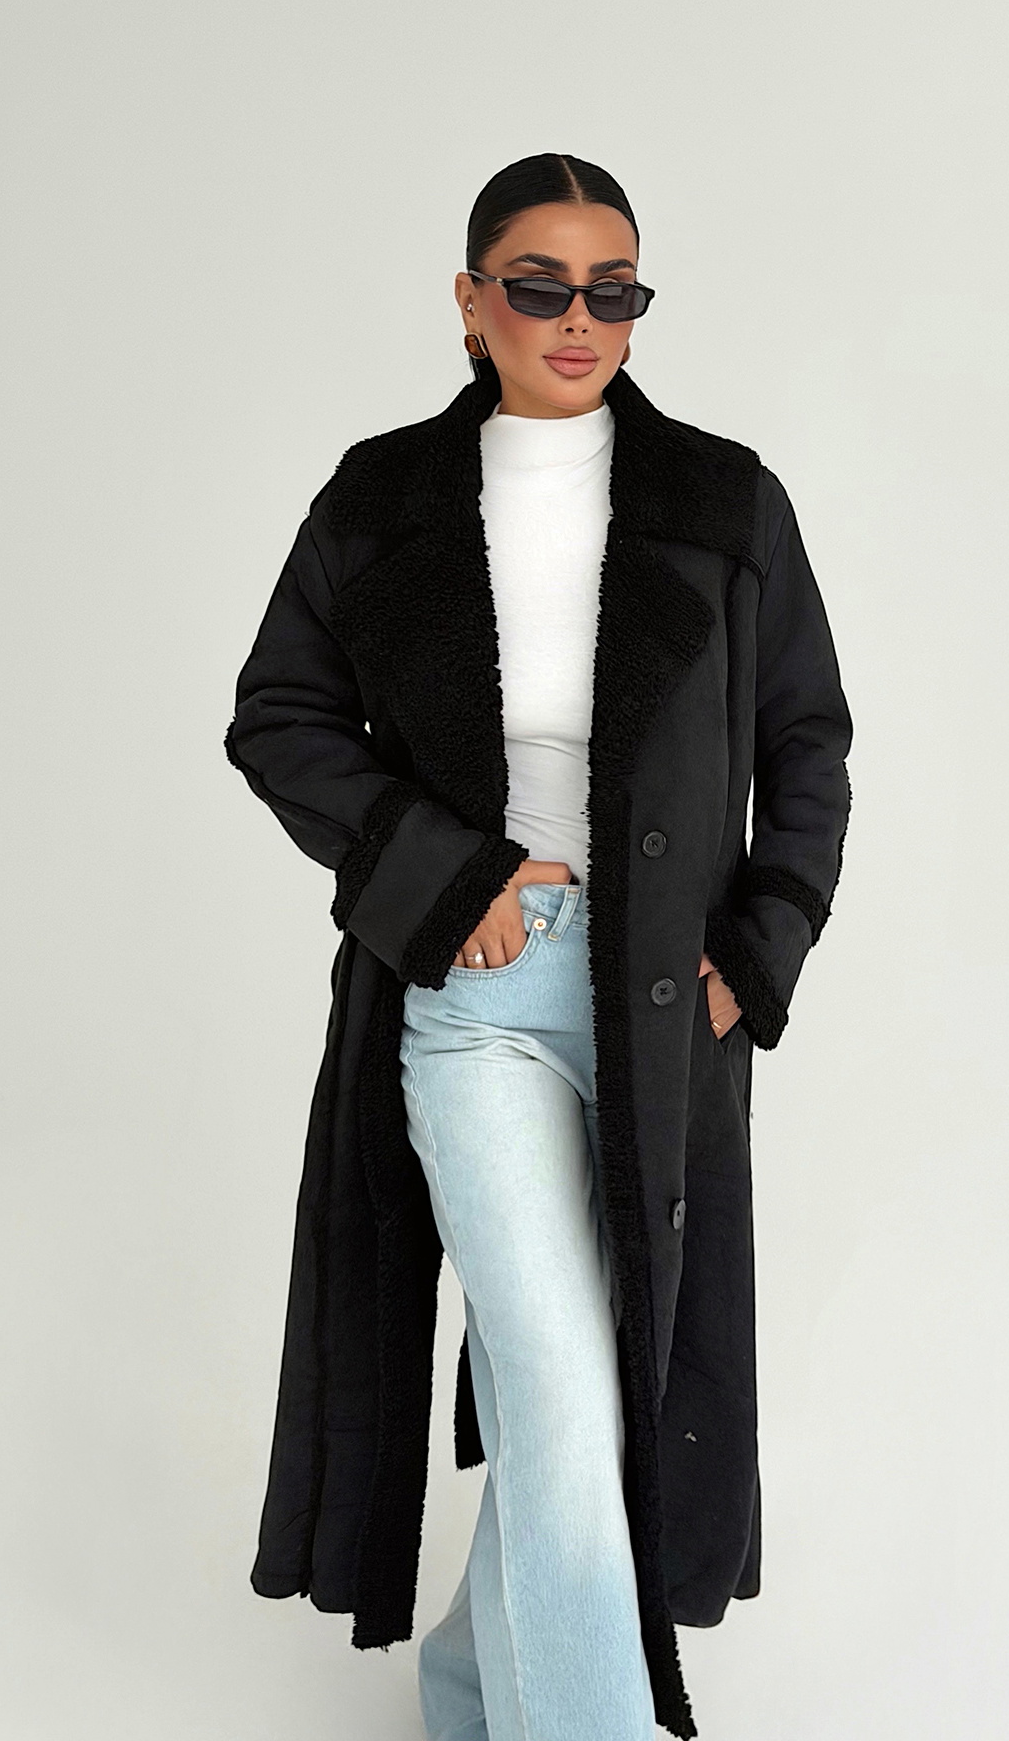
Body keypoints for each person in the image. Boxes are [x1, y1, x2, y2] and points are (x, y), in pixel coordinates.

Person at [224, 152, 853, 1741]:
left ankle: (466, 1686)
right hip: (480, 994)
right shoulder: (382, 499)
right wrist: (448, 880)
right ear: (471, 300)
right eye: (540, 285)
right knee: (565, 1395)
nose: (581, 318)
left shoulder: (725, 499)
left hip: (659, 1004)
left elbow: (810, 744)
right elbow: (280, 717)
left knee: (584, 1389)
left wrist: (759, 946)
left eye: (614, 289)